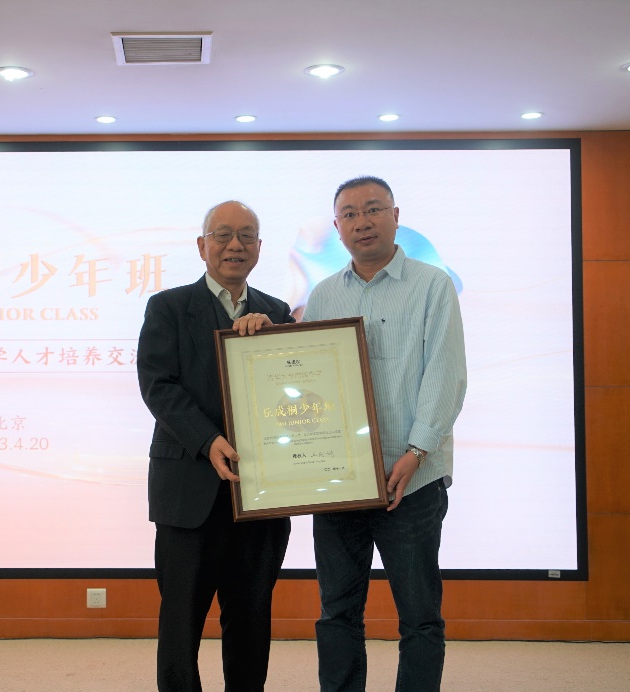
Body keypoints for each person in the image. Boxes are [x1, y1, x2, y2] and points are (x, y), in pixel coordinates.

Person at [236, 175, 466, 691]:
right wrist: (265, 344)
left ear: (395, 216)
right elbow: (305, 379)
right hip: (340, 482)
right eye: (350, 214)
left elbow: (445, 374)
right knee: (337, 612)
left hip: (412, 479)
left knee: (420, 616)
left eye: (373, 209)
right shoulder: (324, 295)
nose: (363, 222)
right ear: (337, 227)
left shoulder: (432, 285)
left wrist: (416, 451)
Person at [137, 200, 294, 692]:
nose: (235, 245)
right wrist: (208, 440)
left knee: (251, 619)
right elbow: (158, 385)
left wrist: (276, 341)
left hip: (259, 495)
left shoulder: (278, 313)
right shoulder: (167, 307)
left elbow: (297, 390)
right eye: (223, 235)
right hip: (189, 490)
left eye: (247, 235)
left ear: (259, 247)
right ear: (202, 245)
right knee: (181, 621)